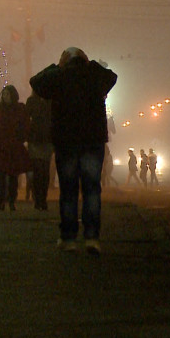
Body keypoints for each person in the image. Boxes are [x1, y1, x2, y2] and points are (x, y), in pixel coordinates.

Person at [29, 46, 117, 255]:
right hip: (92, 140)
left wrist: (56, 66)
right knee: (92, 189)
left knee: (68, 190)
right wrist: (91, 64)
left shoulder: (59, 77)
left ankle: (68, 237)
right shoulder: (94, 76)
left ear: (64, 61)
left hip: (66, 140)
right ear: (84, 59)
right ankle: (92, 237)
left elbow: (36, 82)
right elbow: (112, 77)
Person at [0, 85, 31, 211]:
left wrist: (21, 137)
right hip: (1, 145)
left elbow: (25, 124)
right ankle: (2, 201)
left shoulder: (20, 108)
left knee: (13, 175)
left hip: (14, 145)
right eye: (4, 94)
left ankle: (12, 200)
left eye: (8, 94)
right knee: (1, 175)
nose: (6, 96)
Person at [26, 89, 53, 210]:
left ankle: (42, 198)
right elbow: (27, 116)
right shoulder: (32, 101)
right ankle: (38, 198)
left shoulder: (51, 101)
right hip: (36, 138)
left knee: (45, 170)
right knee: (38, 170)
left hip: (47, 138)